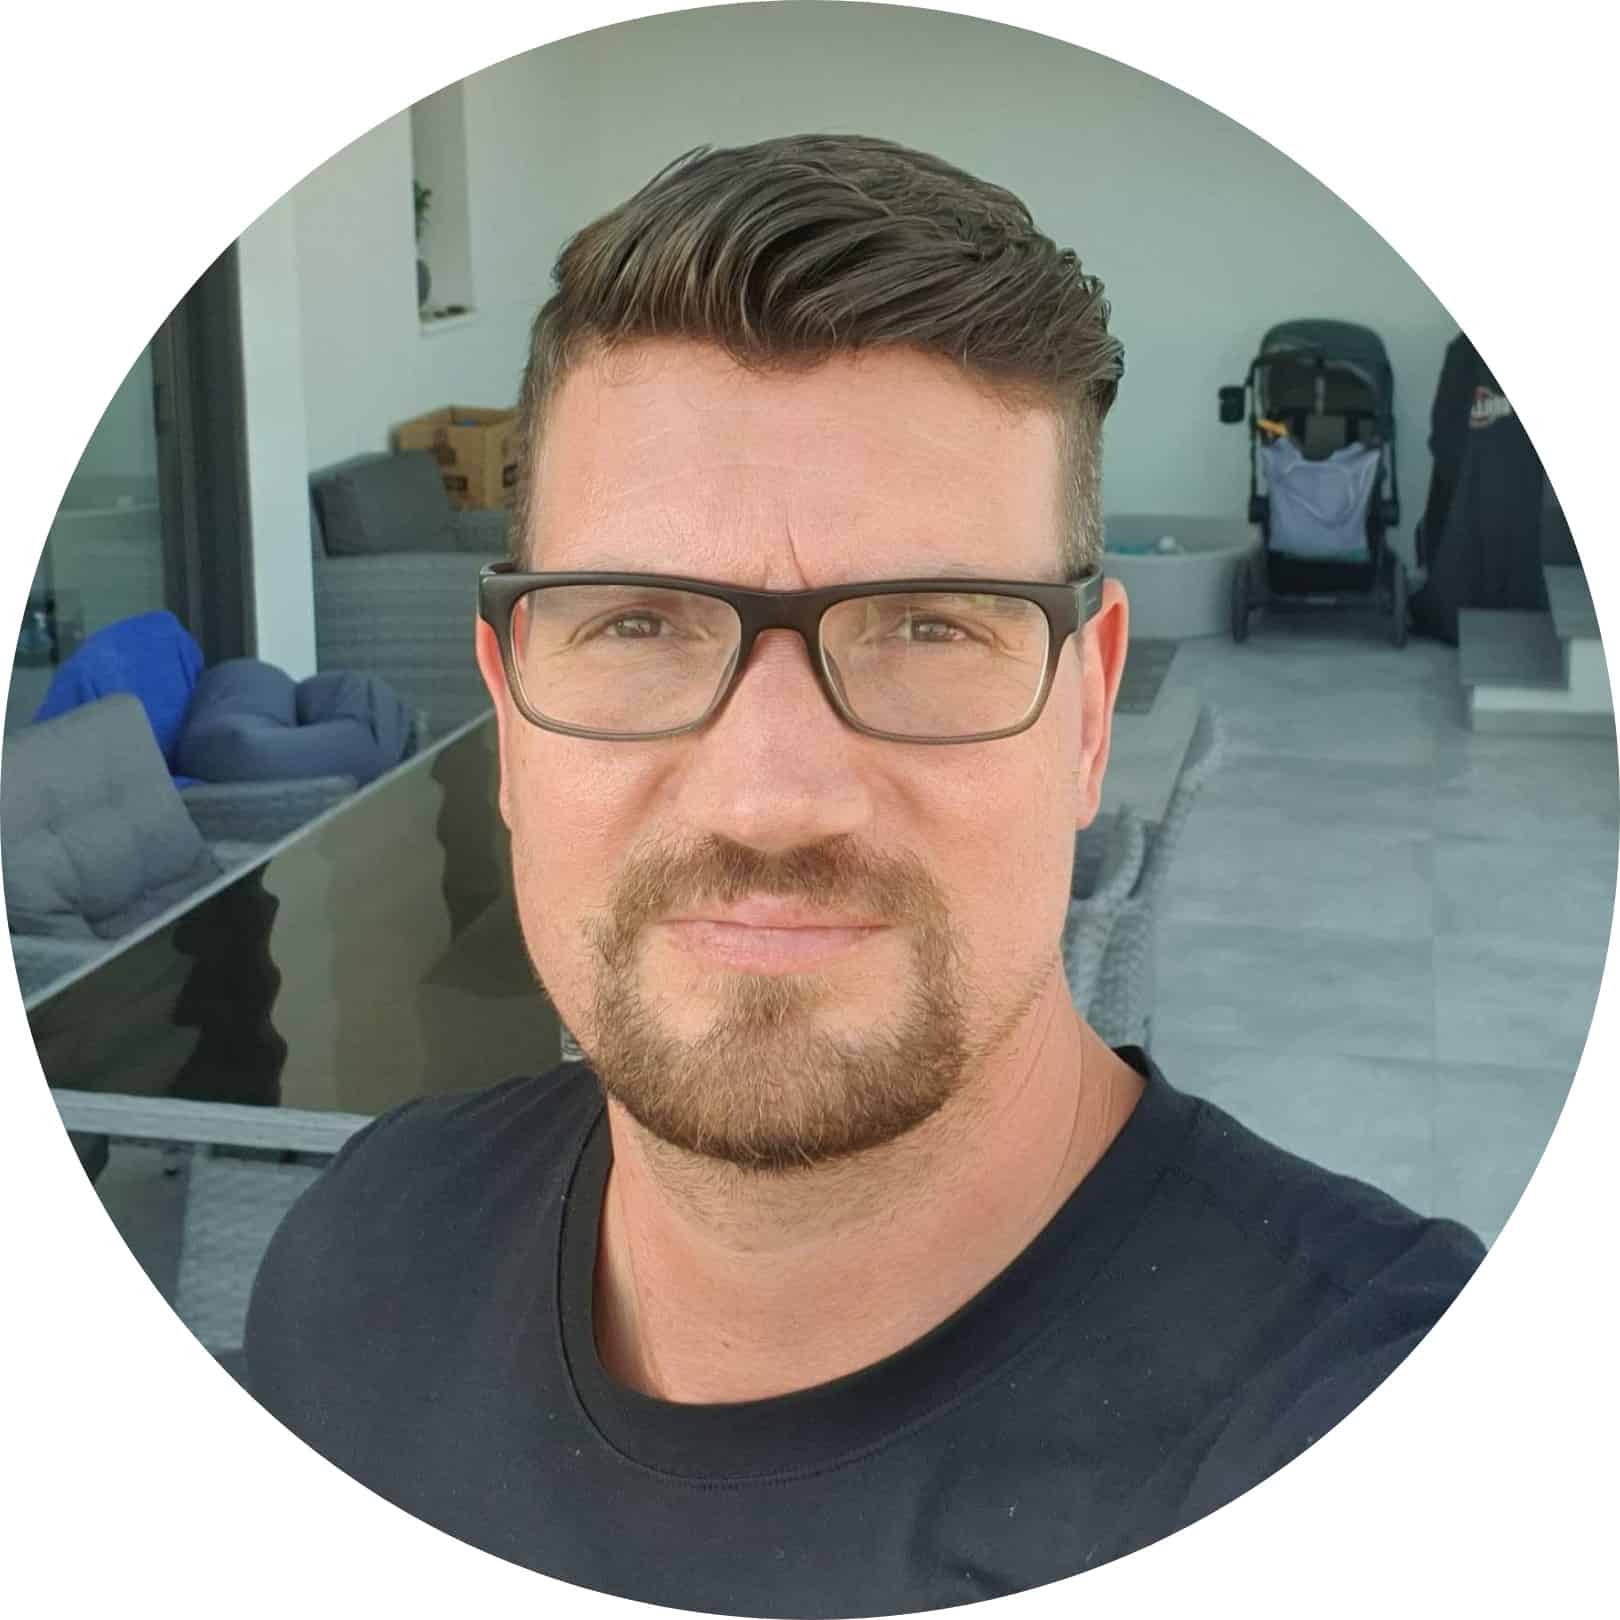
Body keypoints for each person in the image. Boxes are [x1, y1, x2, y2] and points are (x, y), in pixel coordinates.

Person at [245, 134, 1483, 1615]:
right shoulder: (362, 1260)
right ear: (508, 716)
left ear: (1089, 715)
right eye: (636, 623)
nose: (771, 800)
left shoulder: (1383, 1433)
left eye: (928, 626)